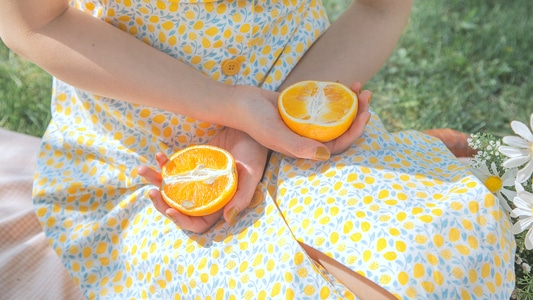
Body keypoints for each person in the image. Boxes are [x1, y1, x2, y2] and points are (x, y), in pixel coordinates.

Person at [0, 0, 515, 298]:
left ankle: (424, 154)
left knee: (439, 258)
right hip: (152, 157)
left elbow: (382, 8)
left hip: (302, 110)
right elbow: (33, 21)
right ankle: (433, 150)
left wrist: (256, 129)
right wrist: (224, 105)